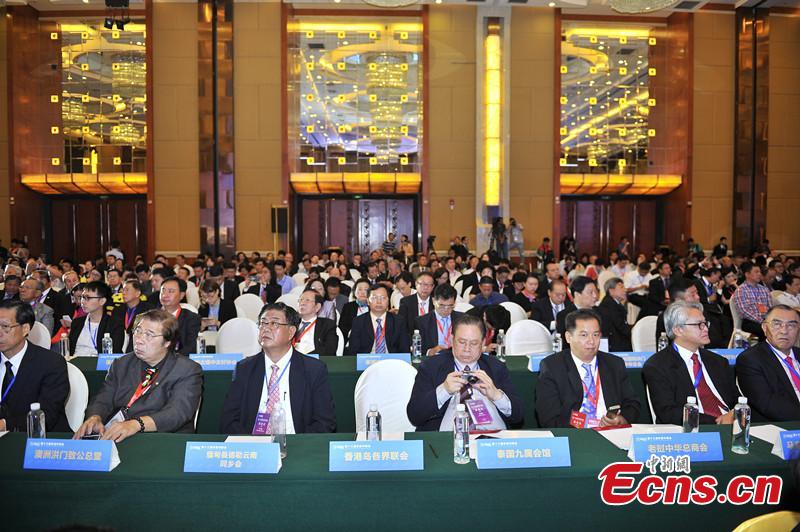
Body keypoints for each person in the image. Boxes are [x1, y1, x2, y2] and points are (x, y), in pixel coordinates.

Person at [73, 309, 203, 442]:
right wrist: (95, 417)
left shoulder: (187, 370)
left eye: (149, 335)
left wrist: (137, 424)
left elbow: (177, 413)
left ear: (167, 342)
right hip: (119, 436)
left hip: (164, 439)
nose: (139, 339)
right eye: (138, 331)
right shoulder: (121, 364)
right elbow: (103, 398)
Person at [219, 302, 336, 434]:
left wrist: (298, 444)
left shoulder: (314, 370)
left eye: (274, 323)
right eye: (263, 323)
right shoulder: (244, 369)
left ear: (291, 332)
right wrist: (251, 442)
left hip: (296, 442)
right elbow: (228, 420)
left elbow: (324, 422)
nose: (266, 328)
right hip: (253, 442)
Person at [406, 314, 523, 431]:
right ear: (452, 340)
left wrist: (496, 396)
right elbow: (415, 416)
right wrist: (444, 390)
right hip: (448, 436)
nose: (467, 349)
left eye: (474, 343)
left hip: (492, 436)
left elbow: (518, 416)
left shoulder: (496, 367)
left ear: (483, 343)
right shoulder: (431, 367)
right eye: (462, 342)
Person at [536, 309, 640, 428]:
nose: (591, 341)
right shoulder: (552, 367)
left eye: (596, 335)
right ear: (568, 337)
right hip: (574, 433)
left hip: (611, 431)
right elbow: (549, 418)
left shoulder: (614, 364)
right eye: (584, 335)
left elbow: (632, 404)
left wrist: (621, 419)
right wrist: (585, 425)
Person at [643, 301, 737, 425]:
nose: (706, 329)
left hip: (734, 424)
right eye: (699, 325)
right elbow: (668, 413)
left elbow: (737, 400)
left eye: (705, 323)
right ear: (678, 330)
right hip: (694, 429)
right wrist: (716, 422)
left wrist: (736, 414)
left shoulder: (718, 361)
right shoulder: (658, 366)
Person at [0, 300, 70, 432]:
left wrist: (4, 425)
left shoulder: (51, 363)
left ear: (25, 329)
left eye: (5, 327)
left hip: (38, 438)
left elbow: (47, 415)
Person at [736, 305, 800, 422]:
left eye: (791, 325)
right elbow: (767, 404)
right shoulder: (750, 359)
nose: (784, 331)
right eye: (777, 324)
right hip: (780, 426)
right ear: (765, 328)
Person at [347, 284, 410, 355]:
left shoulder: (398, 321)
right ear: (368, 301)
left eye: (383, 298)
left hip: (391, 359)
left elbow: (405, 350)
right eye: (374, 298)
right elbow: (353, 351)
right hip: (368, 359)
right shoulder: (358, 321)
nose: (379, 302)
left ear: (388, 301)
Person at [69, 281, 124, 357]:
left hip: (100, 363)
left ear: (102, 301)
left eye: (88, 298)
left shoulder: (114, 325)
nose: (83, 302)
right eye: (82, 297)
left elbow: (114, 354)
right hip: (75, 362)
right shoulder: (77, 322)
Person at [416, 283, 463, 356]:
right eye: (442, 305)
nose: (446, 309)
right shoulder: (422, 322)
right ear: (433, 301)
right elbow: (417, 349)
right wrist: (430, 352)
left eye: (450, 306)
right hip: (434, 358)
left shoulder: (462, 319)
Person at [731, 262, 772, 340]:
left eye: (760, 272)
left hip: (765, 320)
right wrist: (761, 321)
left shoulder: (764, 289)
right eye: (756, 272)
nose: (759, 274)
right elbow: (744, 311)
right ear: (747, 274)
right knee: (766, 330)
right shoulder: (741, 290)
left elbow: (770, 307)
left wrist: (768, 320)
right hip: (750, 322)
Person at [160, 277, 200, 355]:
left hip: (178, 359)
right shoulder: (150, 317)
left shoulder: (192, 318)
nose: (165, 295)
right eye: (163, 290)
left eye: (171, 291)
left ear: (181, 295)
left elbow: (191, 347)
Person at [111, 279, 155, 349]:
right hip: (119, 346)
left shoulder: (148, 310)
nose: (123, 293)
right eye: (123, 290)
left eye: (127, 290)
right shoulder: (118, 310)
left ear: (137, 293)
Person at [294, 289, 338, 356]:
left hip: (314, 360)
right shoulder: (291, 323)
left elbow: (329, 349)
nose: (302, 303)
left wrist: (304, 358)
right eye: (300, 300)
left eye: (307, 300)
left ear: (317, 307)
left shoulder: (327, 325)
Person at [597, 277, 632, 352]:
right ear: (611, 291)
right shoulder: (609, 305)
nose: (625, 290)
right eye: (621, 287)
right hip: (615, 345)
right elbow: (622, 327)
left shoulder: (613, 303)